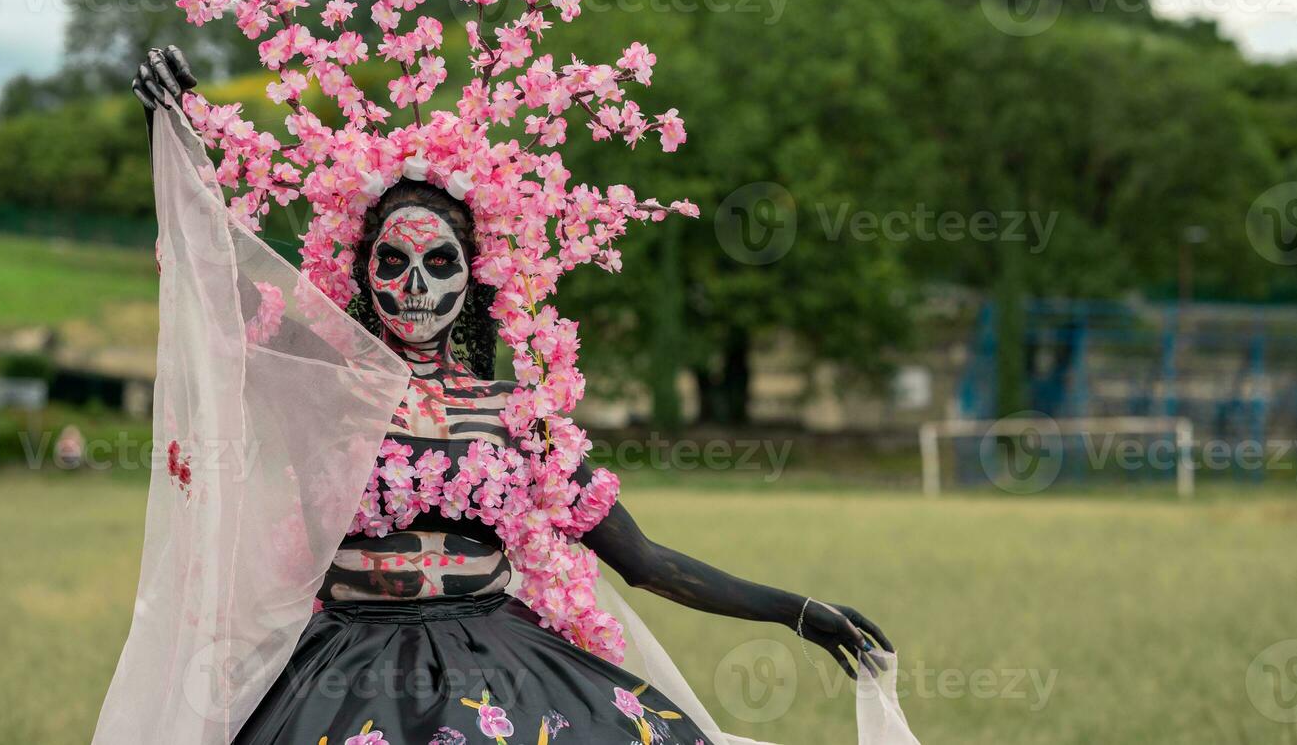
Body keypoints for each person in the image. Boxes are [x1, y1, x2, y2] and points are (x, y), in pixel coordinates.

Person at [121, 45, 895, 745]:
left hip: (497, 665)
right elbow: (204, 280)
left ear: (473, 279)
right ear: (361, 275)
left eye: (439, 265)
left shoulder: (517, 416)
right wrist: (170, 129)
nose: (415, 288)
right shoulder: (320, 387)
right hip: (340, 671)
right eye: (392, 264)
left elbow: (646, 561)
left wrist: (793, 611)